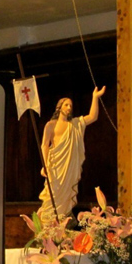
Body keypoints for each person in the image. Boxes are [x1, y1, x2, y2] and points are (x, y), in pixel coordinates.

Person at [37, 86, 106, 224]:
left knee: (66, 195)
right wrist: (44, 165)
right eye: (66, 104)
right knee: (52, 195)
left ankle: (61, 224)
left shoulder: (74, 124)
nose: (69, 107)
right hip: (55, 166)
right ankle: (47, 226)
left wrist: (95, 97)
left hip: (68, 168)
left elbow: (93, 117)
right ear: (60, 107)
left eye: (71, 105)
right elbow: (44, 145)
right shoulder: (51, 125)